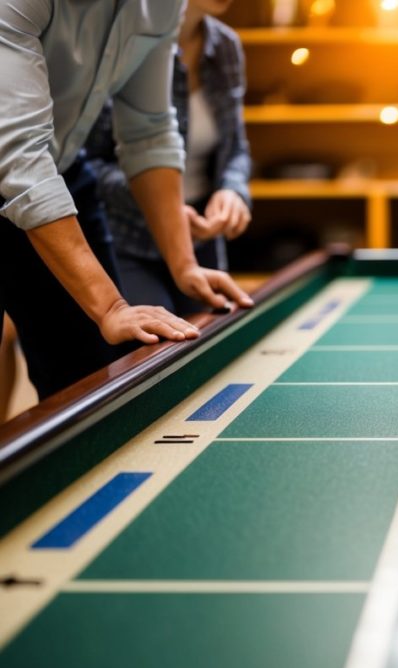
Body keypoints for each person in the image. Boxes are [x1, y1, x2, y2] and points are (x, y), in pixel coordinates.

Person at [0, 1, 253, 400]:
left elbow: (148, 132)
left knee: (88, 385)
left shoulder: (165, 5)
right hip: (23, 164)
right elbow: (20, 159)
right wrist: (110, 307)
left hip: (60, 170)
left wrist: (184, 264)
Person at [86, 0, 253, 314]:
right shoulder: (128, 42)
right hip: (128, 240)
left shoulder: (227, 46)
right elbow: (87, 166)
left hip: (201, 239)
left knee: (208, 342)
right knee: (158, 351)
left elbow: (236, 150)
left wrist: (233, 190)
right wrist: (165, 205)